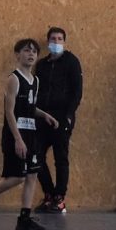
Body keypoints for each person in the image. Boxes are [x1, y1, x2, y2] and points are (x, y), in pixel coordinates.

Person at [0, 39, 59, 230]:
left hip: (31, 133)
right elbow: (9, 111)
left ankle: (24, 218)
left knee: (32, 174)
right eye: (26, 50)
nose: (31, 54)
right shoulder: (14, 79)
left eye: (34, 51)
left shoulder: (35, 81)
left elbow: (29, 106)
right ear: (17, 54)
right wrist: (18, 139)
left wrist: (45, 115)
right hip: (15, 134)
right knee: (17, 177)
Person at [35, 27, 83, 214]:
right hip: (42, 116)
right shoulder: (42, 65)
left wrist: (69, 115)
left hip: (62, 116)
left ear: (64, 41)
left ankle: (59, 198)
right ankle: (49, 193)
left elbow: (77, 91)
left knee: (60, 157)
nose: (56, 42)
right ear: (48, 42)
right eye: (53, 39)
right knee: (36, 155)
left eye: (59, 39)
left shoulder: (71, 62)